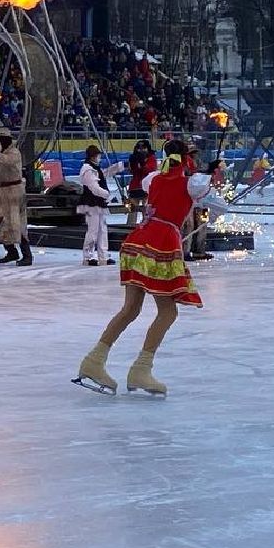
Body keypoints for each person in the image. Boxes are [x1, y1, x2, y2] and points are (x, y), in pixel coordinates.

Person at [73, 139, 211, 397]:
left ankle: (94, 360)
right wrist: (210, 173)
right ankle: (141, 369)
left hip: (137, 240)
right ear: (186, 159)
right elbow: (212, 200)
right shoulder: (190, 183)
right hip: (161, 245)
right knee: (168, 312)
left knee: (130, 309)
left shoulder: (155, 179)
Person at [0, 128, 32, 266]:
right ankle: (11, 251)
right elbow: (1, 174)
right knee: (1, 224)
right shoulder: (3, 153)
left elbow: (8, 161)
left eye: (0, 140)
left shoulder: (14, 153)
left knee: (17, 224)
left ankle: (27, 255)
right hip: (3, 193)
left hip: (14, 193)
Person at [77, 144, 114, 267]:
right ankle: (88, 257)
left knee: (102, 230)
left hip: (98, 203)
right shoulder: (87, 170)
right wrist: (106, 194)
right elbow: (94, 188)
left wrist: (118, 168)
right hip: (91, 202)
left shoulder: (95, 168)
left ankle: (103, 256)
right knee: (93, 231)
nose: (99, 158)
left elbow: (104, 175)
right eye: (98, 155)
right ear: (93, 156)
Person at [125, 139, 157, 226]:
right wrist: (134, 162)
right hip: (135, 186)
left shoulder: (151, 158)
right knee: (132, 209)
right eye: (139, 148)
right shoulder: (134, 158)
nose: (141, 150)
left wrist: (143, 164)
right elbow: (131, 171)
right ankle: (130, 227)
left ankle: (146, 225)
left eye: (143, 148)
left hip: (146, 187)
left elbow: (151, 170)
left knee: (145, 208)